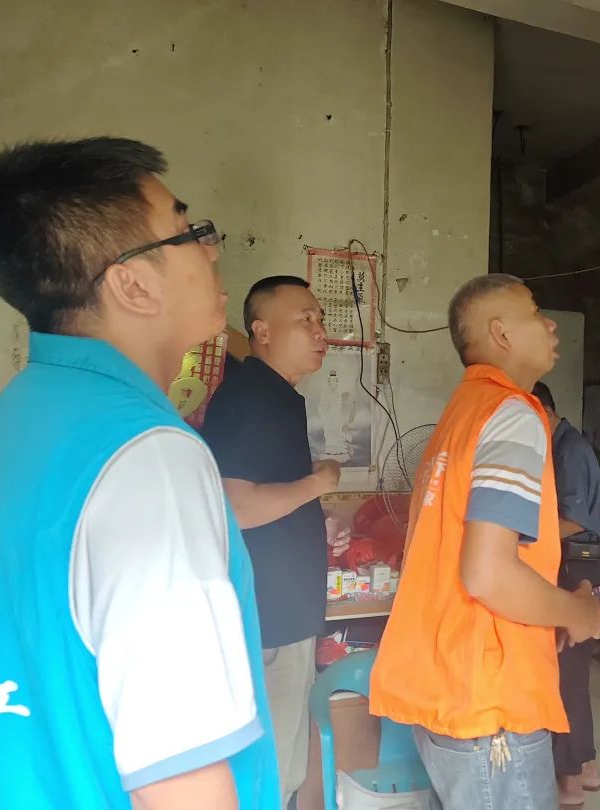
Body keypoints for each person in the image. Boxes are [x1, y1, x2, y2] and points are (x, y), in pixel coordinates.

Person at [0, 138, 279, 808]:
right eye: (188, 231)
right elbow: (181, 780)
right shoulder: (147, 455)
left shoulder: (3, 422)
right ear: (132, 284)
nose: (211, 251)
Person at [370, 273, 600, 810]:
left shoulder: (462, 412)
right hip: (489, 701)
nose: (550, 325)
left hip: (447, 682)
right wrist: (578, 611)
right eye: (536, 312)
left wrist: (549, 613)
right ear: (501, 333)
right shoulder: (513, 414)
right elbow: (488, 574)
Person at [200, 275, 344, 808]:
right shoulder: (252, 397)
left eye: (320, 319)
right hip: (270, 619)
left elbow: (266, 497)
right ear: (261, 331)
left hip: (282, 615)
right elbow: (237, 506)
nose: (320, 330)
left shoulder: (277, 396)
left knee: (284, 755)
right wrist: (319, 484)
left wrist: (313, 514)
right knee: (274, 765)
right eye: (305, 319)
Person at [531, 381, 600, 807]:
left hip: (579, 568)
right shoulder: (558, 446)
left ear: (544, 411)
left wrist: (524, 544)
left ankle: (569, 781)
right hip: (579, 565)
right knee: (574, 675)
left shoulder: (570, 450)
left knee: (565, 675)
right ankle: (588, 768)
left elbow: (577, 519)